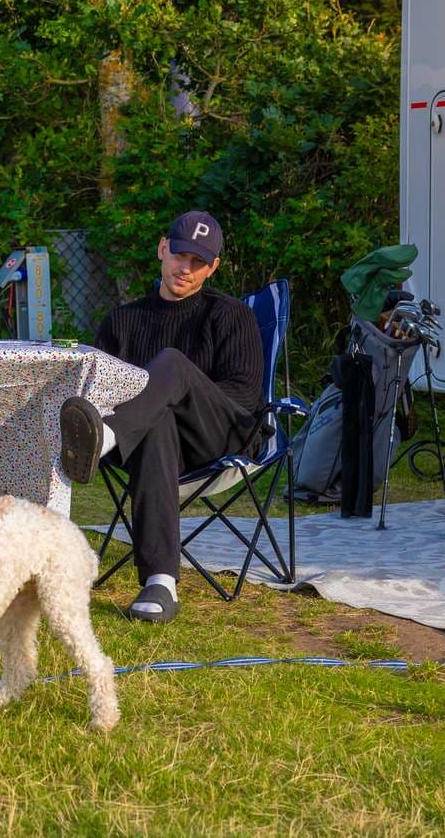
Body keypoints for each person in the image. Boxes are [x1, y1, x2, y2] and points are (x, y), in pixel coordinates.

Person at [58, 211, 263, 624]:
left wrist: (176, 393)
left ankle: (106, 437)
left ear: (213, 267)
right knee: (156, 424)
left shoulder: (230, 315)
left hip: (219, 436)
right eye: (180, 255)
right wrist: (155, 407)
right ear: (162, 249)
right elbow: (99, 390)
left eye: (198, 262)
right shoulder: (123, 321)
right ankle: (161, 582)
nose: (185, 268)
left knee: (172, 364)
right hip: (150, 445)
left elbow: (242, 397)